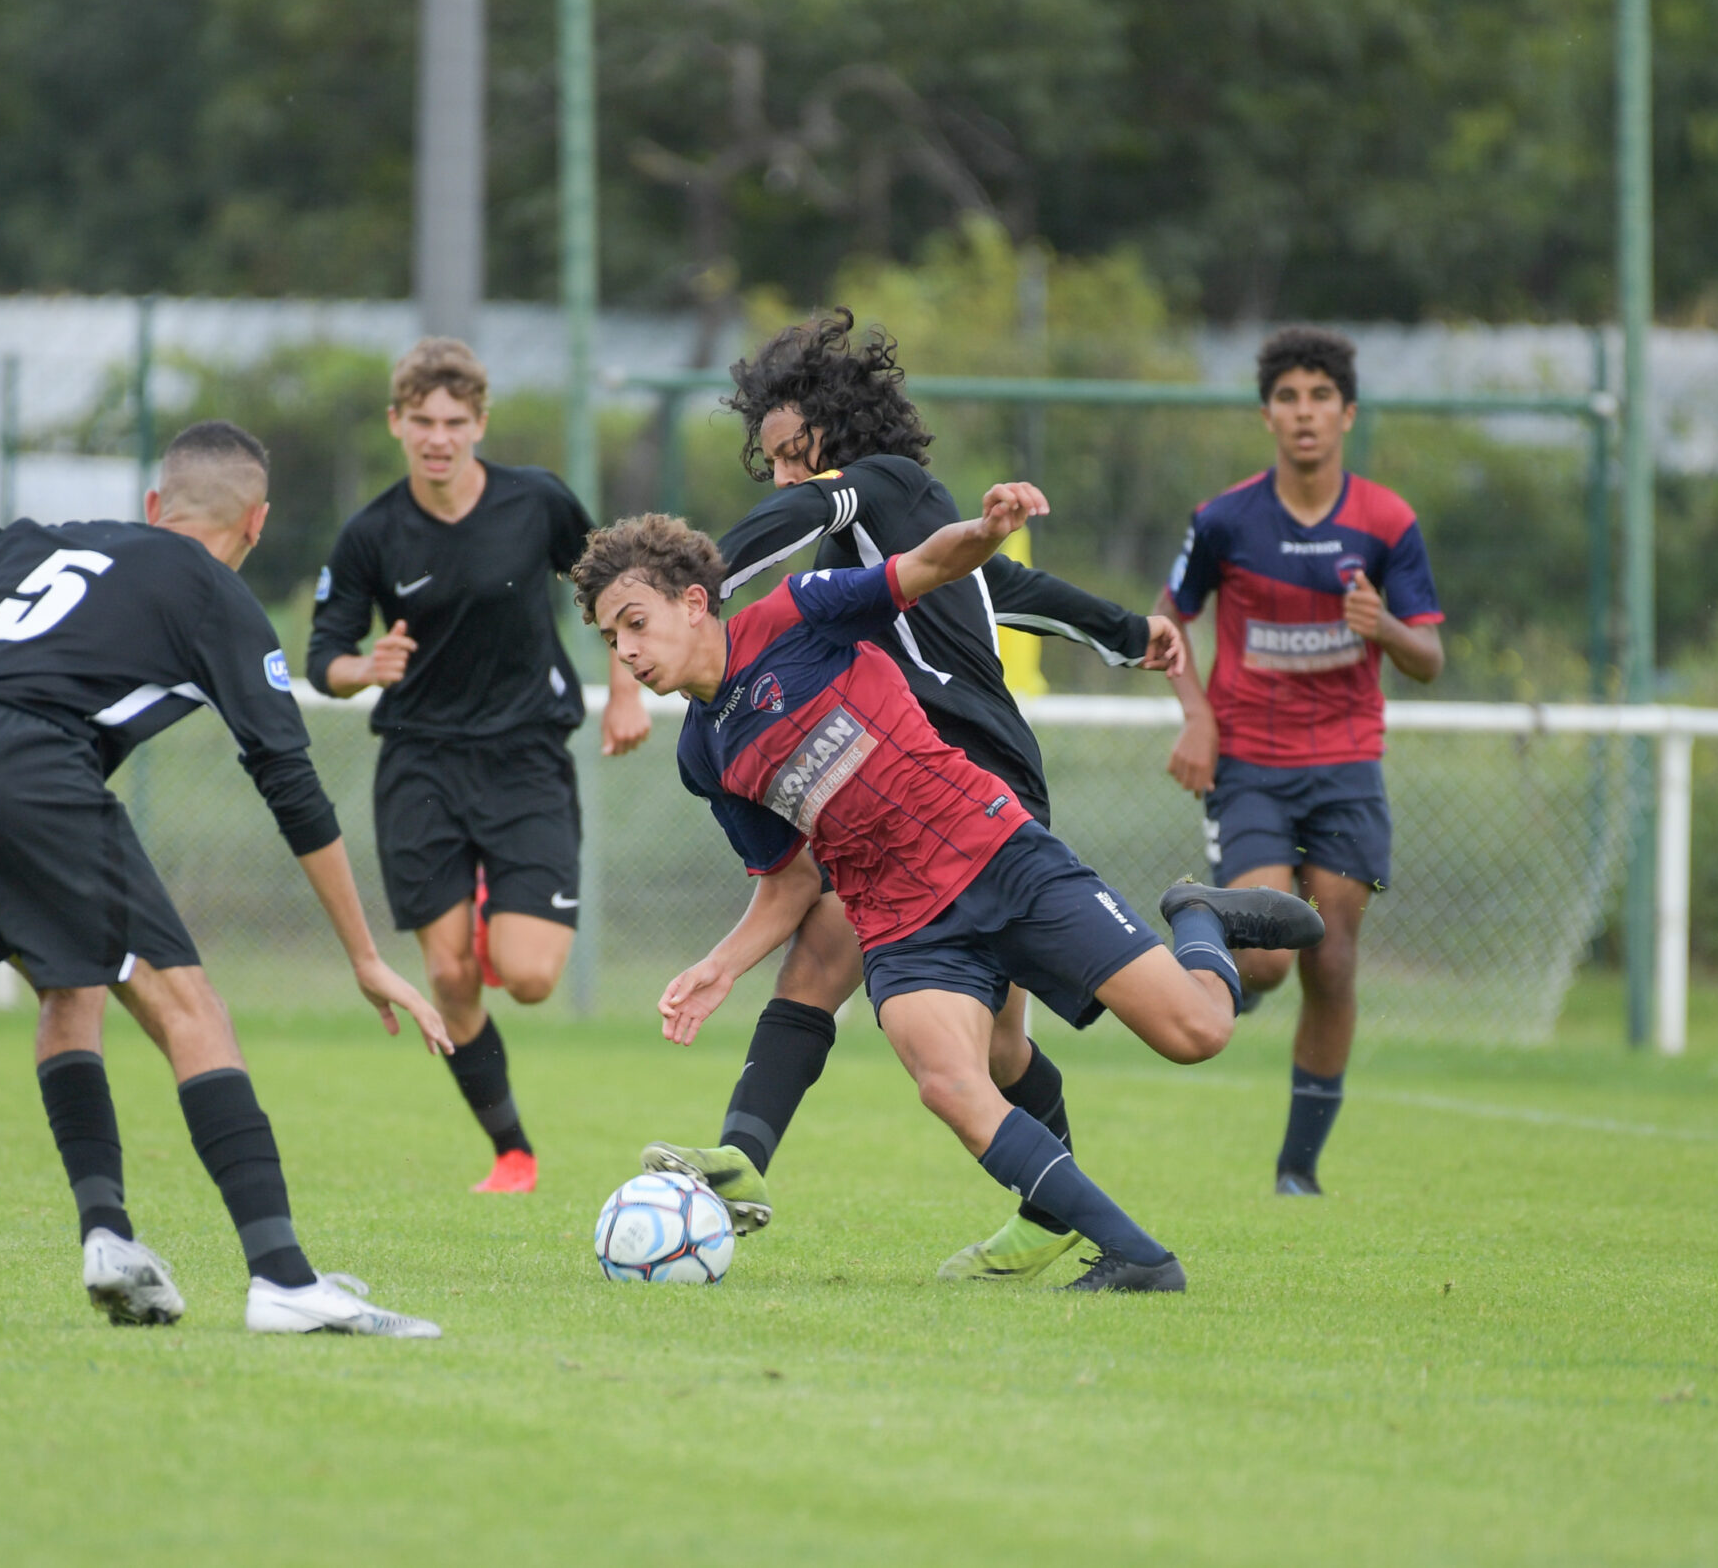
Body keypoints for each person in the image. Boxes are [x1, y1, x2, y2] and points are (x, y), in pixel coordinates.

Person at [0, 419, 451, 1338]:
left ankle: (108, 1237)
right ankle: (284, 1280)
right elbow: (290, 783)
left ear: (151, 505)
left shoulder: (38, 541)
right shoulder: (215, 592)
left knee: (72, 984)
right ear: (255, 526)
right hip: (22, 767)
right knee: (194, 1010)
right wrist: (366, 956)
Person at [575, 489, 1324, 1294]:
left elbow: (921, 568)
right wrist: (720, 966)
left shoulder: (794, 615)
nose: (625, 649)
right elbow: (790, 880)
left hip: (994, 852)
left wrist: (985, 531)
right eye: (611, 635)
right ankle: (1140, 1256)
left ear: (693, 603)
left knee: (1199, 1030)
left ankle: (1199, 915)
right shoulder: (704, 753)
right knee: (952, 1082)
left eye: (636, 621)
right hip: (898, 924)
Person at [637, 309, 1181, 1285]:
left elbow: (859, 528)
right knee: (934, 1013)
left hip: (974, 778)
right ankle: (747, 1153)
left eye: (791, 456)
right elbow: (1000, 580)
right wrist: (1125, 630)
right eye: (769, 466)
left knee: (982, 1035)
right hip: (894, 793)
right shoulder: (869, 551)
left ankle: (1035, 1207)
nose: (784, 481)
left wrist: (688, 585)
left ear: (834, 435)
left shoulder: (876, 486)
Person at [308, 339, 650, 1194]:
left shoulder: (535, 501)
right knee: (451, 975)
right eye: (421, 420)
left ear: (479, 424)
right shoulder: (372, 533)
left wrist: (626, 691)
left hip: (527, 755)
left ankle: (500, 907)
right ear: (396, 423)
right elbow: (323, 656)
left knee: (529, 977)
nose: (438, 436)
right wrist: (363, 668)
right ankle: (513, 1152)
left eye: (454, 421)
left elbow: (616, 587)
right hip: (420, 764)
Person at [1155, 326, 1446, 1195]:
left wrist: (1383, 627)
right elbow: (1169, 623)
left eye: (1321, 396)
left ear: (1348, 413)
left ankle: (1297, 1171)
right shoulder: (1226, 518)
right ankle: (1205, 953)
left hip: (1348, 764)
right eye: (1288, 397)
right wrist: (1198, 718)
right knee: (1275, 952)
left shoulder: (1387, 521)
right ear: (1267, 415)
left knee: (1332, 958)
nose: (1305, 412)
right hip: (1250, 761)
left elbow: (1428, 656)